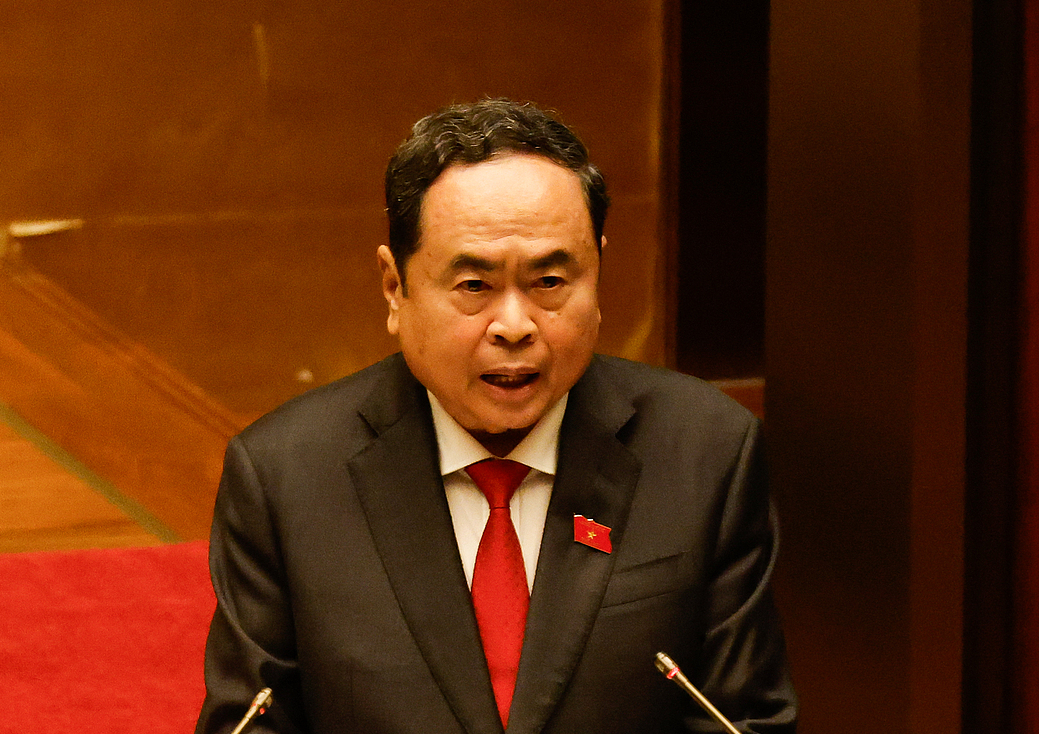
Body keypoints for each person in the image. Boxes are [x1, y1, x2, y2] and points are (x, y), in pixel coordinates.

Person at [195, 99, 796, 734]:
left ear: (598, 272)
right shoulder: (285, 478)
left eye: (550, 282)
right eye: (474, 287)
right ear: (394, 287)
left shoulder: (706, 454)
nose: (514, 327)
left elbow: (743, 718)